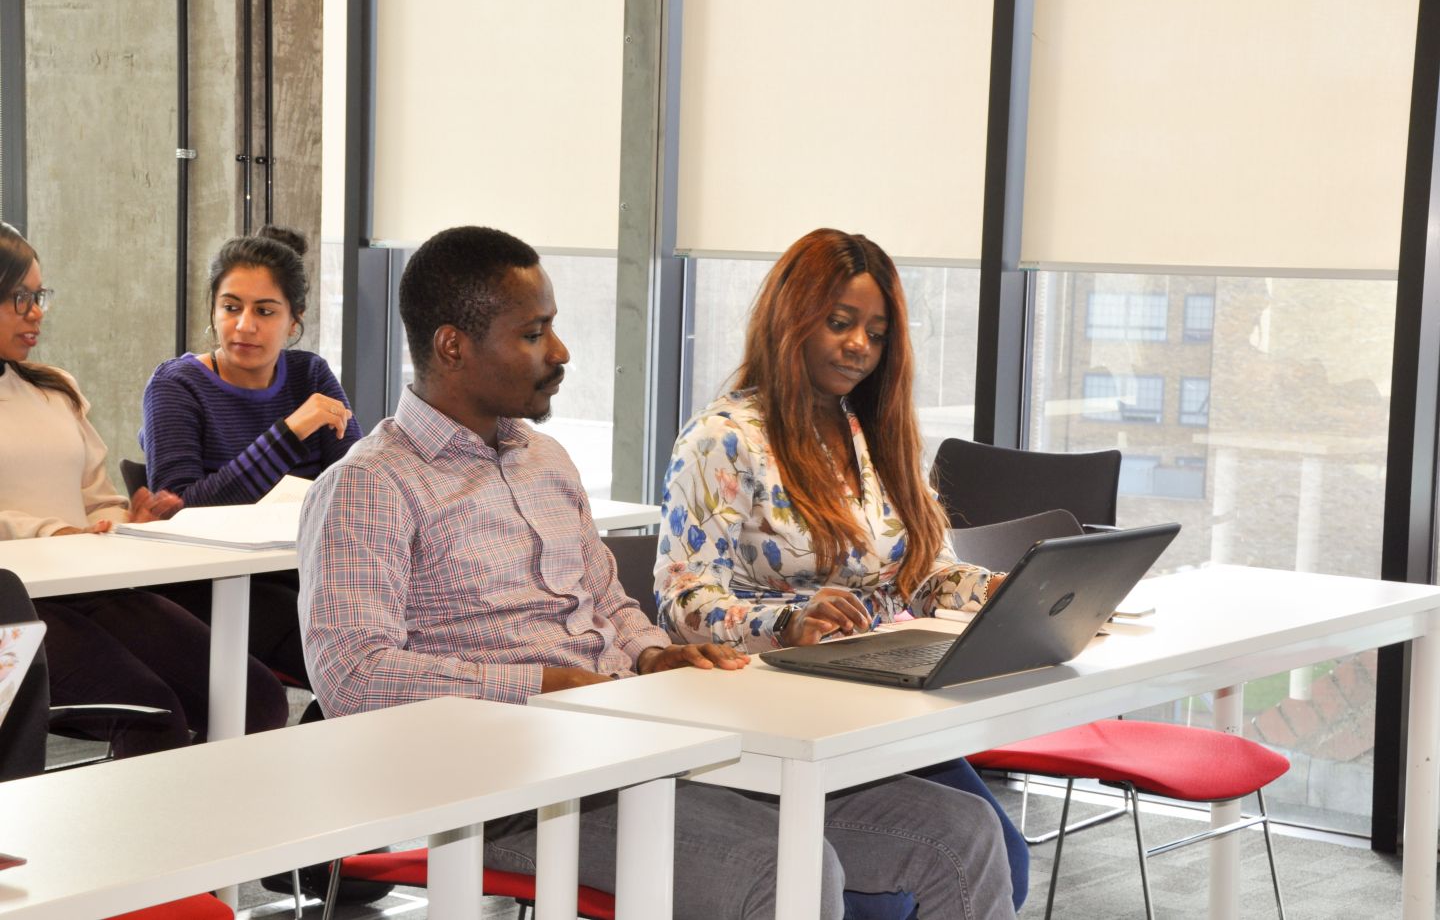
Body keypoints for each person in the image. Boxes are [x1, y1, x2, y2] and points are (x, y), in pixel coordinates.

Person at [298, 225, 1016, 920]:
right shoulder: (372, 484)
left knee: (965, 838)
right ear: (452, 348)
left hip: (632, 741)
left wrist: (652, 651)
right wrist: (548, 688)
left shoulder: (545, 461)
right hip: (512, 785)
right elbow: (354, 676)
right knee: (788, 868)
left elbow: (610, 601)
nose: (562, 350)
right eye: (533, 333)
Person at [656, 227, 1028, 909]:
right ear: (789, 317)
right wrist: (790, 622)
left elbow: (923, 573)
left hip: (877, 697)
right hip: (774, 712)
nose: (860, 345)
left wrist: (1007, 594)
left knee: (1005, 855)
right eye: (839, 323)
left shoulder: (868, 430)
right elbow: (684, 605)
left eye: (876, 332)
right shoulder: (724, 438)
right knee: (963, 855)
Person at [0, 222, 288, 756]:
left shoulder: (54, 389)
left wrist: (126, 518)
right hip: (13, 602)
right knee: (154, 714)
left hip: (92, 586)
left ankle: (217, 829)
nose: (35, 311)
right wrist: (53, 531)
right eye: (20, 298)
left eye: (39, 296)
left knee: (257, 700)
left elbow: (95, 496)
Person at [140, 226, 359, 687]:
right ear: (213, 309)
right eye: (231, 307)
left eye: (265, 311)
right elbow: (181, 508)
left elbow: (355, 489)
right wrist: (290, 431)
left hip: (305, 571)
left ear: (294, 320)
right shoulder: (177, 385)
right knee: (361, 665)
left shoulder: (310, 374)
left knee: (406, 643)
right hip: (207, 585)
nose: (244, 326)